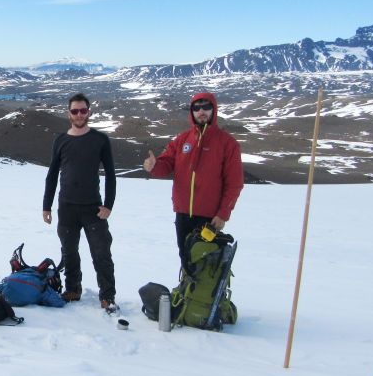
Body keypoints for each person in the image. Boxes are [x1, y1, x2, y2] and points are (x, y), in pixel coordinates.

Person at [143, 92, 244, 268]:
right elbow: (166, 165)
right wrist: (154, 166)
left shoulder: (227, 144)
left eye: (206, 107)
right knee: (185, 258)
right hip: (183, 214)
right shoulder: (182, 140)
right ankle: (186, 294)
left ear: (214, 109)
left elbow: (234, 183)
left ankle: (201, 296)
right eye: (196, 108)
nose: (201, 111)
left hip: (209, 218)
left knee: (205, 264)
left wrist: (223, 214)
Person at [42, 93, 118, 310]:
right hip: (66, 207)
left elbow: (111, 175)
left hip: (93, 207)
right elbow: (52, 174)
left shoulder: (100, 139)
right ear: (69, 114)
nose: (79, 114)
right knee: (69, 252)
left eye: (83, 110)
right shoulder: (61, 140)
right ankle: (73, 289)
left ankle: (107, 295)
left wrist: (109, 205)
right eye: (75, 111)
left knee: (101, 253)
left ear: (89, 112)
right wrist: (46, 206)